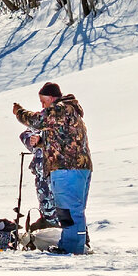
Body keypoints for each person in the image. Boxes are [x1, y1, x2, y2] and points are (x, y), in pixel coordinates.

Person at [13, 82, 92, 254]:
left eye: (43, 101)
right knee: (72, 210)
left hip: (67, 168)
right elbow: (63, 140)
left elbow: (37, 120)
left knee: (68, 210)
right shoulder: (68, 112)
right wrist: (41, 143)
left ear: (52, 98)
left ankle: (71, 247)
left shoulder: (61, 109)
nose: (42, 106)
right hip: (75, 167)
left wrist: (19, 112)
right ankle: (76, 245)